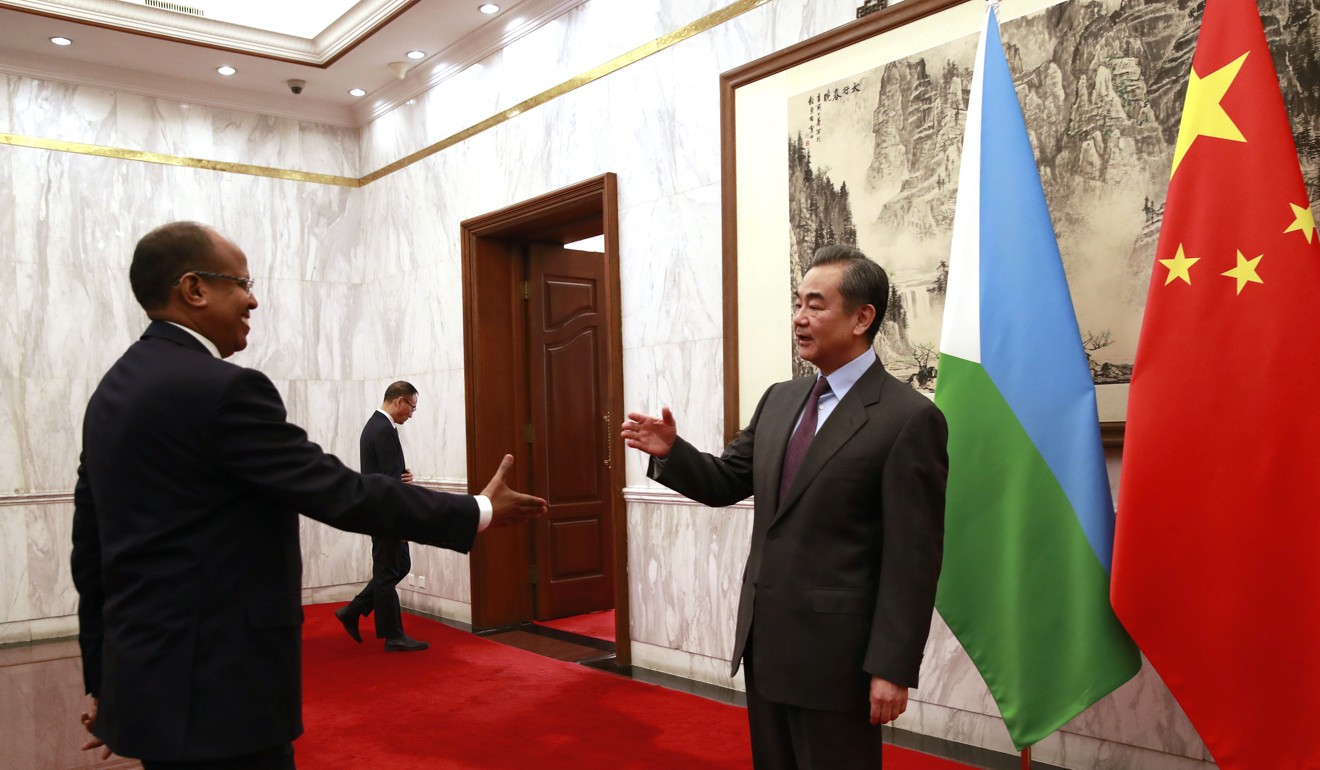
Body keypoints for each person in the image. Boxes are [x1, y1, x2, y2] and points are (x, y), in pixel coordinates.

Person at [71, 221, 546, 769]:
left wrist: (106, 682)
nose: (253, 299)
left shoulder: (112, 390)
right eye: (241, 283)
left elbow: (91, 550)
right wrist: (478, 510)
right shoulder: (224, 390)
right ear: (194, 288)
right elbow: (338, 492)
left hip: (151, 684)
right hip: (221, 690)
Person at [621, 246, 948, 770]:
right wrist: (673, 454)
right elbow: (728, 480)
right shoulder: (780, 399)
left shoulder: (908, 419)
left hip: (840, 659)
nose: (799, 318)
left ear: (863, 317)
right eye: (798, 303)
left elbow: (914, 557)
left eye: (816, 305)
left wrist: (892, 666)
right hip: (767, 644)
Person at [335, 382, 432, 651]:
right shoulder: (382, 429)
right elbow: (389, 481)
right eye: (412, 407)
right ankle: (393, 636)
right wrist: (402, 521)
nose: (412, 414)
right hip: (385, 513)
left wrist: (404, 475)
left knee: (399, 566)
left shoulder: (377, 426)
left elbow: (387, 474)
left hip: (380, 509)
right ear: (399, 401)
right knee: (388, 573)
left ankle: (353, 610)